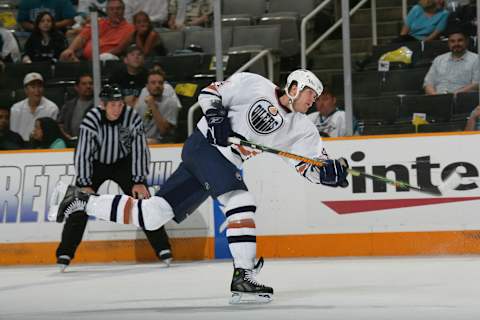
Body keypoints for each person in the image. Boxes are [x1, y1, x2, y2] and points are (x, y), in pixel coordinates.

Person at [49, 70, 349, 303]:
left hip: (223, 163)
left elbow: (308, 166)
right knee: (239, 200)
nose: (314, 100)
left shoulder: (302, 128)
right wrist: (216, 115)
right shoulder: (253, 83)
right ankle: (243, 274)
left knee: (154, 214)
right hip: (203, 147)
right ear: (295, 87)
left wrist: (328, 174)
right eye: (311, 93)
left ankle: (79, 200)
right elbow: (210, 92)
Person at [52, 84, 172, 272]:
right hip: (96, 164)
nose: (117, 108)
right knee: (79, 203)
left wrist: (139, 180)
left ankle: (163, 248)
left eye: (120, 104)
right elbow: (83, 152)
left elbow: (140, 149)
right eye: (113, 105)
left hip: (123, 164)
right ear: (103, 105)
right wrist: (85, 183)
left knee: (144, 202)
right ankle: (65, 253)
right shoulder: (91, 119)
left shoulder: (131, 117)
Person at [60, 0, 134, 62]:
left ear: (123, 10)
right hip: (85, 60)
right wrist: (70, 49)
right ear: (107, 11)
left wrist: (97, 59)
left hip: (108, 61)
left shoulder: (130, 28)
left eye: (118, 9)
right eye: (111, 9)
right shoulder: (99, 23)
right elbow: (82, 37)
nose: (115, 11)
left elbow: (119, 49)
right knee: (66, 55)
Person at [424, 29, 479, 95]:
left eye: (460, 40)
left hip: (462, 98)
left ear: (466, 42)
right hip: (437, 97)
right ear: (448, 43)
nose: (456, 44)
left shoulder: (476, 59)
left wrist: (455, 95)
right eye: (452, 41)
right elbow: (428, 84)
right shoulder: (439, 59)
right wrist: (435, 96)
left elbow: (477, 84)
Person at [134, 69, 181, 143]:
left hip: (164, 144)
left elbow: (164, 131)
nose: (157, 85)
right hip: (143, 142)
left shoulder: (171, 103)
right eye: (153, 83)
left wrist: (153, 106)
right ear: (147, 86)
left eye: (160, 83)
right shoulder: (140, 103)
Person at [10, 73, 59, 142]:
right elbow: (13, 133)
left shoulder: (52, 108)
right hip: (19, 147)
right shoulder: (16, 108)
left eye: (40, 86)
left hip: (42, 146)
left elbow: (51, 135)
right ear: (26, 90)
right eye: (33, 87)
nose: (37, 91)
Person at [57, 74, 94, 139]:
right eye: (84, 84)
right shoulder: (68, 105)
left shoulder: (99, 105)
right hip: (70, 143)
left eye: (91, 83)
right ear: (76, 87)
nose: (88, 86)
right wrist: (66, 136)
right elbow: (60, 124)